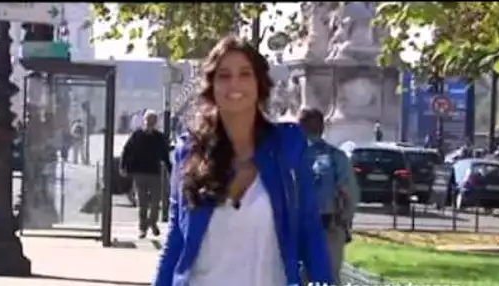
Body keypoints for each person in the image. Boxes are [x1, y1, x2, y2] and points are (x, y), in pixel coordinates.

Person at [153, 36, 332, 286]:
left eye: (245, 74)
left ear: (260, 83)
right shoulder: (189, 151)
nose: (234, 84)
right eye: (224, 75)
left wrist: (323, 280)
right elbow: (176, 241)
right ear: (211, 86)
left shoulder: (288, 146)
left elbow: (310, 229)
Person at [298, 107, 359, 285]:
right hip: (329, 228)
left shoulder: (288, 157)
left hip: (293, 230)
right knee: (328, 279)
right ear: (322, 128)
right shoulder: (336, 157)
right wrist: (344, 222)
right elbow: (350, 194)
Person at [120, 110, 172, 239]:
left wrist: (170, 169)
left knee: (155, 202)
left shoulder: (159, 137)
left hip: (155, 173)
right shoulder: (137, 135)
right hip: (140, 173)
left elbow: (165, 155)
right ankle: (143, 228)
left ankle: (152, 222)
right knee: (142, 203)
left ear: (156, 123)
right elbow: (126, 150)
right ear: (144, 121)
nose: (150, 124)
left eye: (153, 122)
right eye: (148, 121)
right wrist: (123, 166)